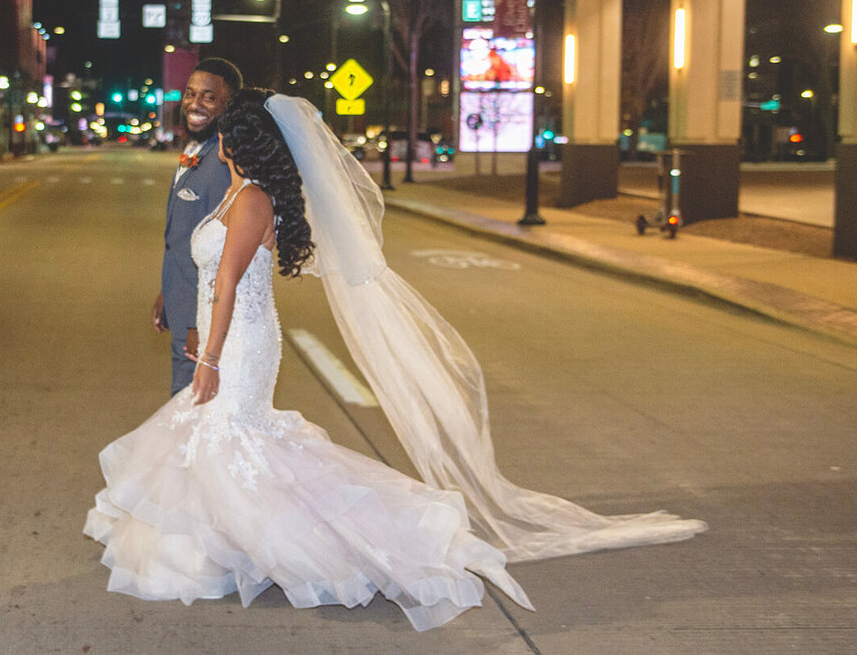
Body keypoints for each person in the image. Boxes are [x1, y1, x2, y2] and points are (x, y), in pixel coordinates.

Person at [88, 91, 706, 630]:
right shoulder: (239, 194)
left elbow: (228, 283)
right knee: (219, 443)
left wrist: (213, 355)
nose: (217, 136)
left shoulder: (251, 202)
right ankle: (225, 549)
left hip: (245, 344)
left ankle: (350, 543)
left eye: (226, 131)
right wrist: (202, 336)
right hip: (235, 337)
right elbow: (214, 281)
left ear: (239, 142)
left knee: (236, 444)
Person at [152, 59, 240, 396]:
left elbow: (223, 255)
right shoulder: (197, 149)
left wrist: (195, 322)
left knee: (191, 414)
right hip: (182, 301)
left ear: (228, 105)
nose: (194, 104)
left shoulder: (223, 162)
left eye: (208, 97)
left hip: (201, 320)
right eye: (190, 94)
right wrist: (167, 291)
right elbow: (182, 240)